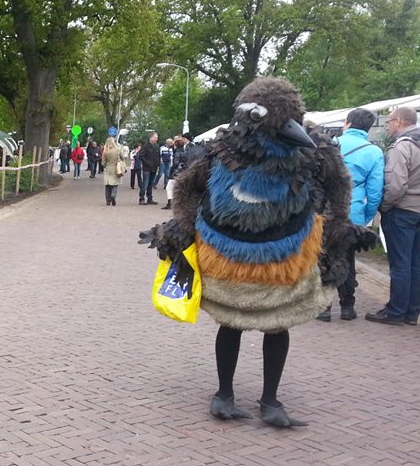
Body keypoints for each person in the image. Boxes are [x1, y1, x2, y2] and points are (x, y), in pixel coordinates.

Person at [140, 77, 375, 428]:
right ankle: (230, 396)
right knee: (235, 323)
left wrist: (339, 226)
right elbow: (188, 185)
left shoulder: (310, 150)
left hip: (284, 255)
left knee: (274, 324)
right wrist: (183, 226)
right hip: (228, 253)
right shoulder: (225, 150)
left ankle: (264, 399)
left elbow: (338, 183)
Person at [317, 108, 384, 322]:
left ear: (347, 123)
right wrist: (366, 216)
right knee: (347, 258)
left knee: (323, 256)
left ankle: (324, 307)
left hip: (325, 212)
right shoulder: (374, 152)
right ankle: (347, 307)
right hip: (352, 213)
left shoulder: (330, 145)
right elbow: (375, 191)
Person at [366, 106, 420, 326]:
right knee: (416, 263)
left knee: (400, 263)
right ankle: (411, 312)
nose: (387, 125)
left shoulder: (402, 147)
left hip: (402, 211)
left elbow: (396, 185)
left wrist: (385, 206)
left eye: (389, 121)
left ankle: (395, 311)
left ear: (399, 121)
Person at [101, 136, 126, 205]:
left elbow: (103, 162)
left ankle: (108, 200)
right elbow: (123, 158)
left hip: (108, 168)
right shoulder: (117, 150)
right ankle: (113, 196)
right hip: (116, 168)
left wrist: (105, 165)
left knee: (107, 185)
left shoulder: (105, 151)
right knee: (115, 184)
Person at [138, 132, 160, 205]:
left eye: (157, 137)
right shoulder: (145, 146)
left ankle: (149, 198)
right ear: (150, 138)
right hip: (147, 168)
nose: (156, 139)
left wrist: (158, 163)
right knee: (145, 183)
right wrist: (147, 162)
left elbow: (158, 156)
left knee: (151, 183)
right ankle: (141, 198)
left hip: (154, 167)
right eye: (155, 137)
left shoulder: (157, 146)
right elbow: (141, 156)